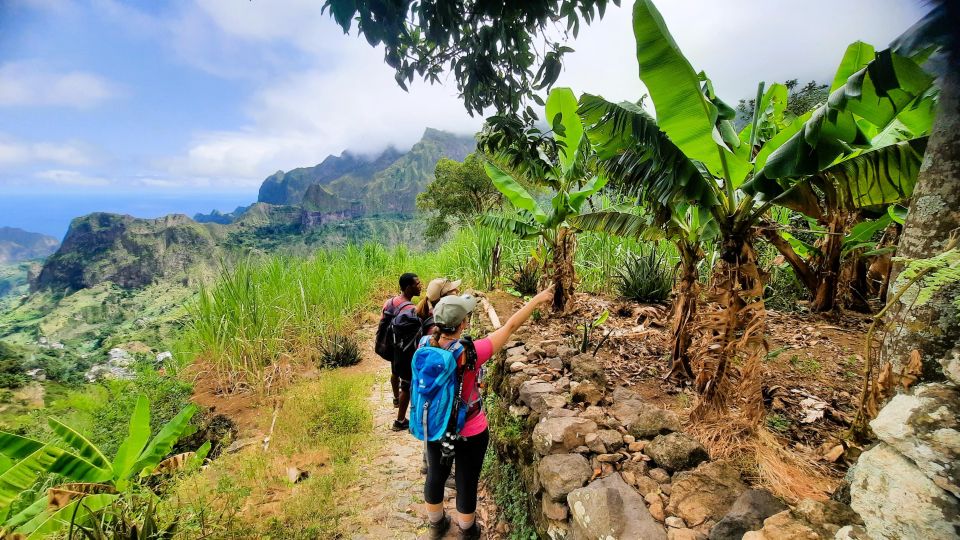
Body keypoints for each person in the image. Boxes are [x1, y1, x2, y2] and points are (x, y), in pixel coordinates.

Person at [422, 285, 554, 539]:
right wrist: (537, 299)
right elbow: (511, 326)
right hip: (470, 428)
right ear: (462, 324)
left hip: (436, 424)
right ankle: (467, 529)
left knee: (436, 475)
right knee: (466, 480)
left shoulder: (424, 344)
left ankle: (436, 524)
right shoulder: (473, 351)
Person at [381, 272, 422, 430]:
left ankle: (396, 399)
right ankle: (400, 421)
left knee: (394, 371)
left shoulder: (390, 302)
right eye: (417, 284)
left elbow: (382, 322)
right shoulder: (411, 309)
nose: (420, 286)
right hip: (404, 350)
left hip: (391, 346)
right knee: (406, 383)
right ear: (408, 287)